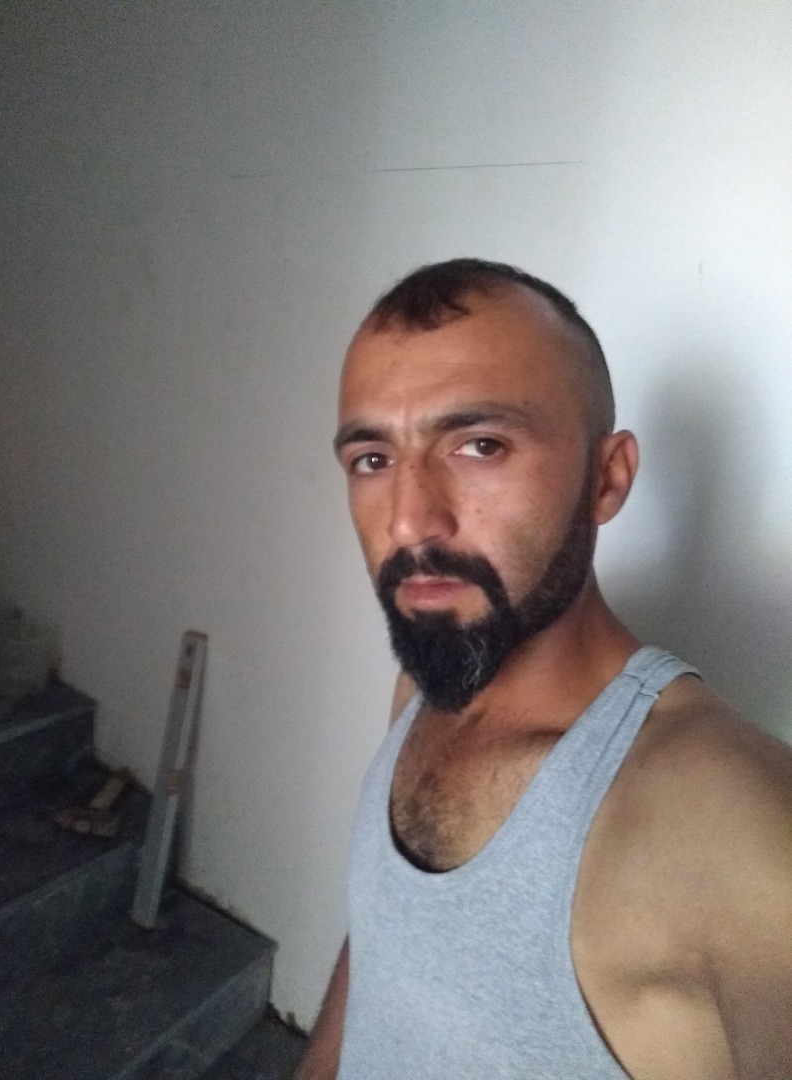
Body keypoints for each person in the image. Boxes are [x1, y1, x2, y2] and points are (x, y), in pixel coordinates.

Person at [296, 258, 792, 1079]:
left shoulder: (738, 827)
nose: (410, 521)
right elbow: (384, 941)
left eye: (479, 445)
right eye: (373, 459)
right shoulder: (423, 691)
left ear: (607, 478)